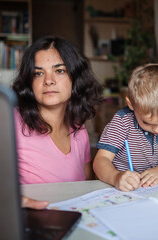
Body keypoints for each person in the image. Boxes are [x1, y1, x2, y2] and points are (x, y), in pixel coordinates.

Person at [12, 36, 102, 184]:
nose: (48, 80)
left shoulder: (79, 130)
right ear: (29, 82)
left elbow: (87, 186)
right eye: (38, 73)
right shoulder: (9, 123)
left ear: (75, 78)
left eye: (59, 71)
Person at [93, 63, 158, 192]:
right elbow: (100, 161)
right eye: (147, 123)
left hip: (153, 190)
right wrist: (115, 177)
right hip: (121, 189)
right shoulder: (122, 122)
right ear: (131, 104)